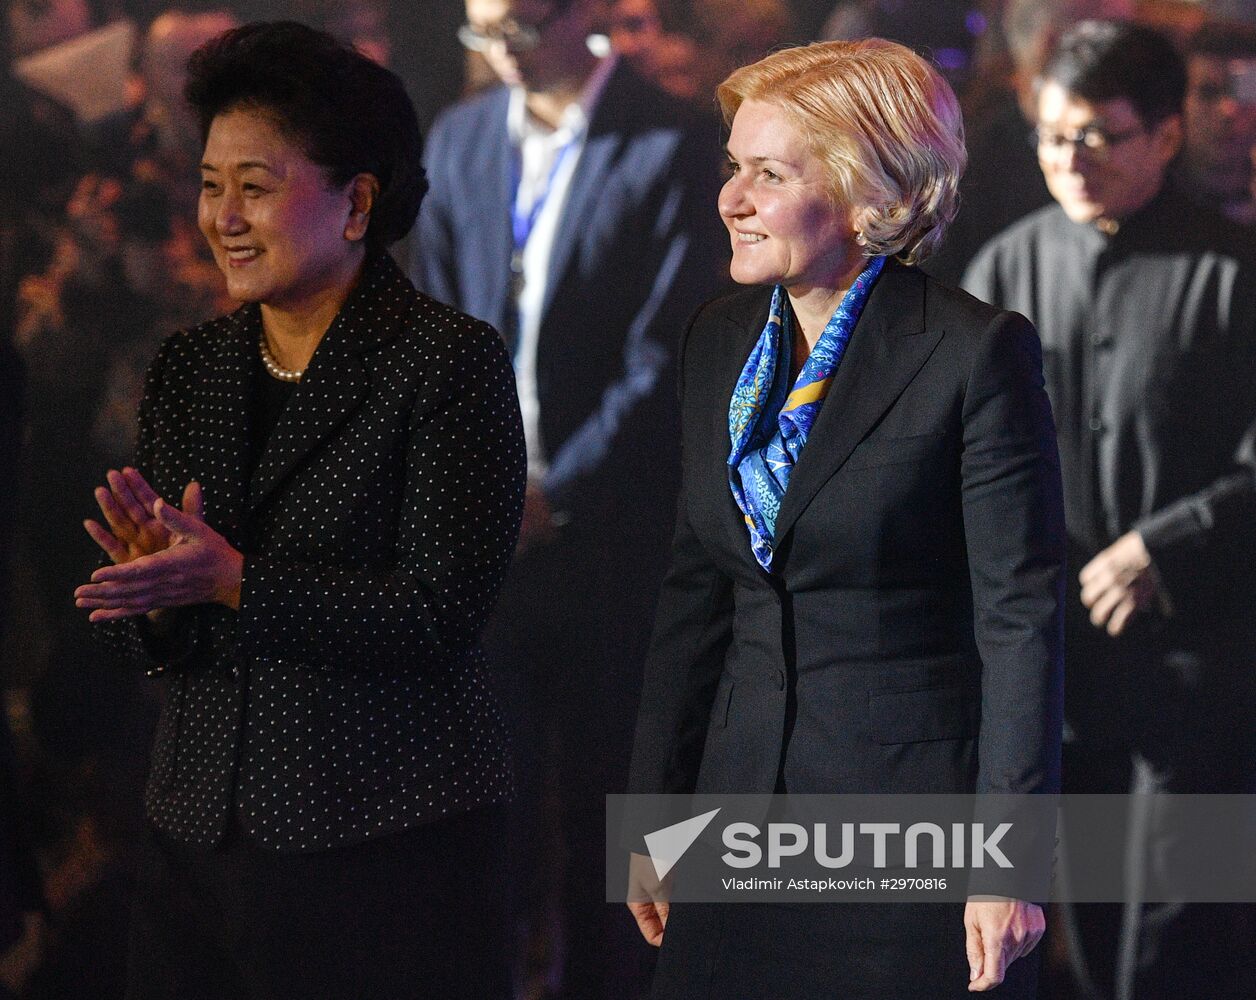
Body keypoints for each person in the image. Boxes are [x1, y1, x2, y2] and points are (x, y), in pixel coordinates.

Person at [72, 21, 526, 1000]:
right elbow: (156, 644)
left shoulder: (445, 362)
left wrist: (234, 581)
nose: (222, 216)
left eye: (255, 185)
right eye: (209, 184)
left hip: (382, 840)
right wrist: (149, 597)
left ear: (356, 201)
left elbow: (436, 614)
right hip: (195, 835)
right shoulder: (191, 368)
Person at [627, 38, 1065, 999]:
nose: (729, 199)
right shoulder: (717, 339)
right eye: (732, 167)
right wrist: (655, 814)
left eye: (768, 173)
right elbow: (695, 594)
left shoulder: (972, 354)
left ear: (875, 195)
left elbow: (1020, 621)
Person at [412, 1, 727, 994]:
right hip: (483, 541)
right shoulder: (460, 137)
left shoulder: (670, 141)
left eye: (515, 27)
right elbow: (432, 324)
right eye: (479, 32)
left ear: (582, 14)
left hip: (614, 542)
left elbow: (666, 354)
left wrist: (555, 492)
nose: (497, 52)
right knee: (483, 816)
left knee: (617, 817)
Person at [963, 20, 1256, 1000]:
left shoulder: (1230, 272)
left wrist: (1165, 546)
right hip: (1063, 683)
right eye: (1051, 136)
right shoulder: (1004, 271)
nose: (1069, 160)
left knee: (1180, 948)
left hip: (1201, 676)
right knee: (1083, 948)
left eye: (1097, 136)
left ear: (1164, 136)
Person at [1178, 19, 1256, 224]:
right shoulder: (1140, 198)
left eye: (1244, 93)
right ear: (1180, 101)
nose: (1228, 110)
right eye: (1208, 93)